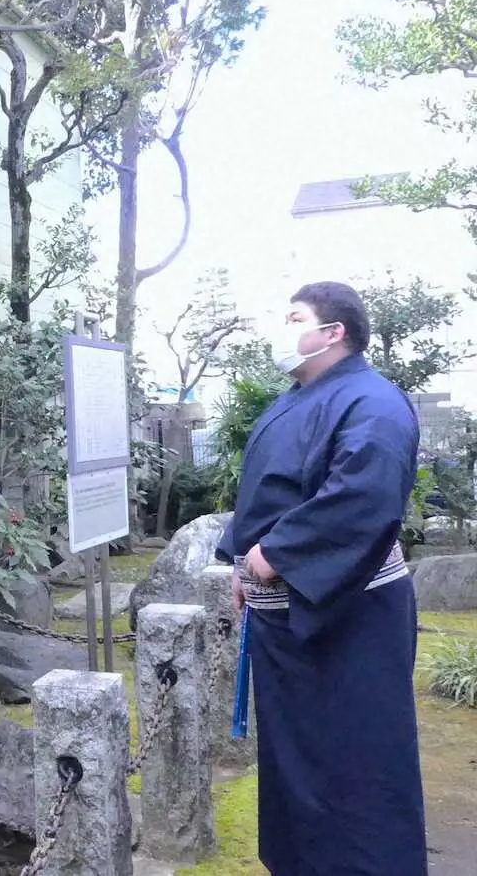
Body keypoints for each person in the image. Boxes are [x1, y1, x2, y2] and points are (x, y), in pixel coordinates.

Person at [216, 281, 428, 876]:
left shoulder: (373, 401)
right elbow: (266, 491)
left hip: (348, 617)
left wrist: (276, 553)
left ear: (333, 332)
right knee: (296, 764)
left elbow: (364, 495)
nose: (283, 328)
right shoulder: (297, 396)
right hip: (287, 621)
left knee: (357, 762)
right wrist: (242, 560)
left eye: (294, 317)